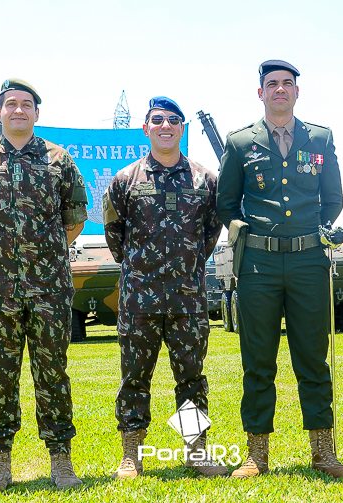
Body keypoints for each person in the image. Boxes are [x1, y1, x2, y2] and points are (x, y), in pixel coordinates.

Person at [216, 60, 343, 479]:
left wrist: (322, 230)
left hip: (309, 261)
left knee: (313, 359)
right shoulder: (240, 142)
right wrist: (241, 231)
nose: (280, 89)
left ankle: (323, 452)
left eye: (287, 84)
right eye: (272, 84)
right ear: (260, 93)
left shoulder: (320, 138)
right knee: (258, 360)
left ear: (297, 92)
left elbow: (333, 198)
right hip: (258, 264)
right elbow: (226, 203)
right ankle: (256, 455)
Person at [0, 79, 88, 491]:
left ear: (37, 113)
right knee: (0, 375)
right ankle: (0, 464)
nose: (19, 110)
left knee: (53, 372)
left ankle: (61, 460)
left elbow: (74, 219)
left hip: (49, 287)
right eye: (11, 104)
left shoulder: (59, 159)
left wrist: (41, 254)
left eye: (27, 104)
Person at [103, 96, 225, 478]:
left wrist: (184, 266)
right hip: (139, 300)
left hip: (187, 300)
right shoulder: (125, 180)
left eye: (173, 120)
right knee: (134, 378)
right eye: (157, 120)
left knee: (191, 377)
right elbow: (115, 237)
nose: (165, 126)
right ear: (146, 128)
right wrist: (143, 268)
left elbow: (210, 234)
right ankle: (131, 455)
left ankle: (195, 451)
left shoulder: (206, 180)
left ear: (182, 128)